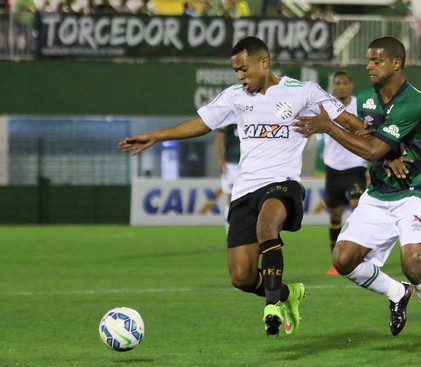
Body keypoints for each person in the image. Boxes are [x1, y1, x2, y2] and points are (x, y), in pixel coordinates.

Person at [117, 36, 351, 337]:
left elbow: (343, 118)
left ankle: (271, 308)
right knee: (241, 277)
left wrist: (375, 139)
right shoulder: (234, 97)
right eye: (235, 71)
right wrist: (154, 136)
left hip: (283, 183)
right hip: (245, 191)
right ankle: (286, 294)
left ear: (263, 63)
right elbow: (201, 123)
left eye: (243, 69)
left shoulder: (301, 91)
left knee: (268, 225)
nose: (240, 76)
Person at [295, 36, 421, 357]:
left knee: (413, 264)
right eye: (368, 60)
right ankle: (397, 292)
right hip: (379, 193)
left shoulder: (414, 102)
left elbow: (371, 147)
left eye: (376, 61)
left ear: (396, 63)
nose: (368, 66)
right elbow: (365, 130)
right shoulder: (368, 97)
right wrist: (386, 154)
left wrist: (329, 128)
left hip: (414, 193)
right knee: (343, 260)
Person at [322, 71, 368, 275]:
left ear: (351, 86)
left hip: (356, 164)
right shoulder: (325, 105)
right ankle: (336, 260)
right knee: (335, 214)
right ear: (333, 86)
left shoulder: (360, 106)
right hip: (333, 166)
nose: (341, 86)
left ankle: (360, 257)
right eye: (337, 83)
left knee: (357, 208)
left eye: (344, 83)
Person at [214, 124, 241, 233]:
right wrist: (221, 160)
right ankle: (230, 232)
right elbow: (219, 138)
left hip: (249, 164)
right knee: (231, 199)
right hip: (231, 165)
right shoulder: (230, 120)